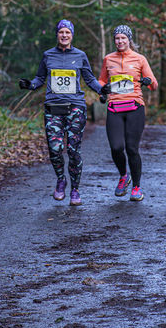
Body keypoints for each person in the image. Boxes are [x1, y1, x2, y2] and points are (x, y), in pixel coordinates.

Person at [19, 19, 104, 206]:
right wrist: (31, 85)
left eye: (67, 32)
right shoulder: (48, 55)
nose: (64, 35)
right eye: (61, 32)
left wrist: (102, 90)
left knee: (73, 150)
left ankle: (75, 189)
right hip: (53, 108)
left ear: (72, 35)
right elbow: (40, 77)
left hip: (75, 107)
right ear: (57, 35)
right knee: (55, 148)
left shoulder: (80, 55)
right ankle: (60, 179)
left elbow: (89, 78)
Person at [98, 24, 157, 202]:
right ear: (114, 40)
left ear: (129, 40)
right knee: (116, 147)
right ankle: (124, 176)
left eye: (123, 38)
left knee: (132, 149)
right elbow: (101, 80)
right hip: (114, 108)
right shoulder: (108, 59)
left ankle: (136, 187)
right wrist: (102, 90)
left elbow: (154, 84)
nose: (120, 41)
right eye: (117, 38)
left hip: (135, 107)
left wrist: (148, 81)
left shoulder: (140, 59)